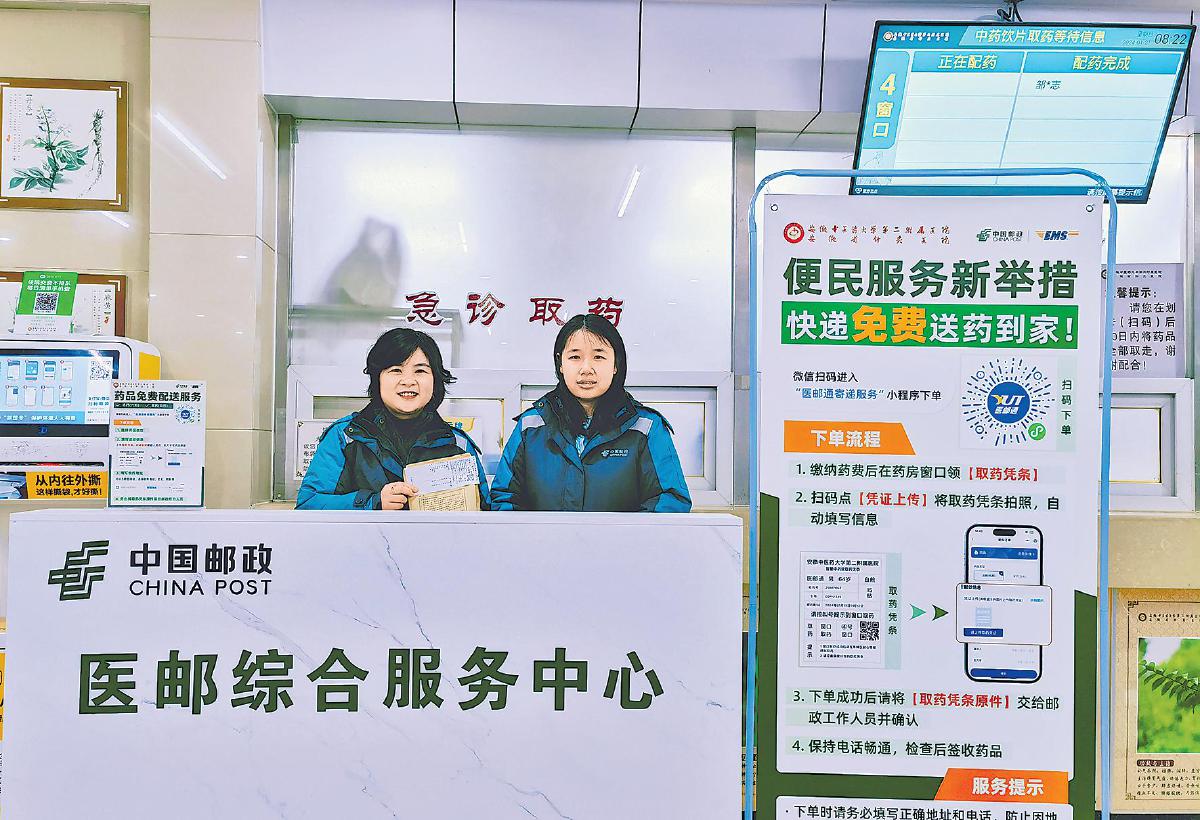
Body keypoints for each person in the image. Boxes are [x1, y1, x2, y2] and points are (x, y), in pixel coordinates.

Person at [491, 314, 691, 512]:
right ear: (560, 364)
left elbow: (671, 501)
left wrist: (619, 533)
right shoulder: (531, 426)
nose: (586, 369)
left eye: (598, 357)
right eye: (575, 357)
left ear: (616, 364)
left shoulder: (645, 427)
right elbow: (504, 499)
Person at [297, 327, 489, 510]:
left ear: (435, 380)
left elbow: (484, 513)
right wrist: (373, 502)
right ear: (377, 378)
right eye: (396, 370)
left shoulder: (458, 444)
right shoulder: (345, 436)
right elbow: (308, 503)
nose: (408, 381)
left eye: (420, 371)